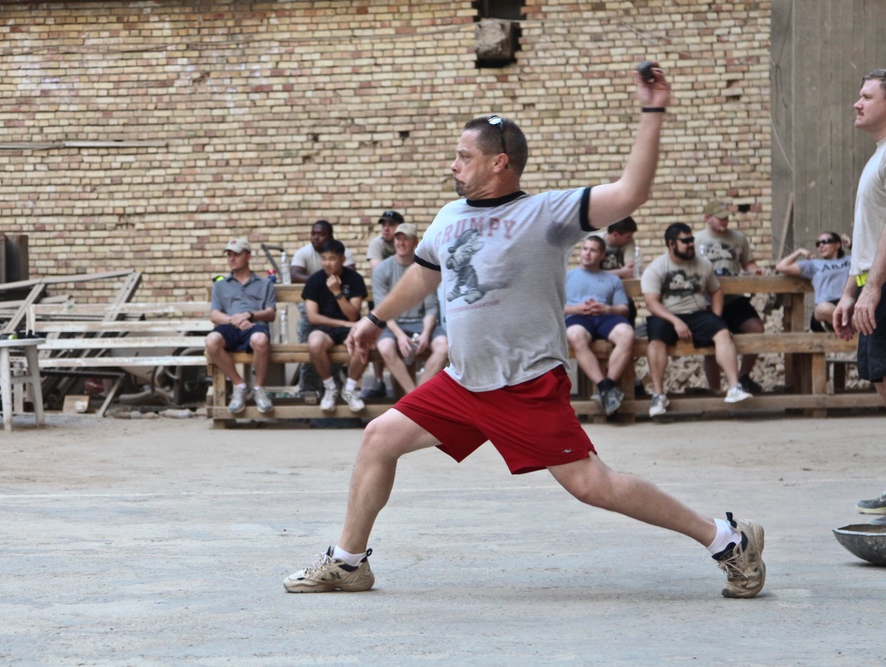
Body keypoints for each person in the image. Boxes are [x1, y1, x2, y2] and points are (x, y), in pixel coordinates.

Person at [283, 65, 765, 600]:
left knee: (591, 486)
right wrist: (374, 321)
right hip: (464, 382)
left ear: (499, 162)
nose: (453, 164)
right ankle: (349, 562)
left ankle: (727, 539)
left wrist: (651, 112)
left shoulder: (546, 213)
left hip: (524, 384)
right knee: (378, 438)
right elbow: (424, 274)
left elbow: (631, 193)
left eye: (463, 156)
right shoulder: (448, 216)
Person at [832, 69, 886, 515]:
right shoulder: (876, 156)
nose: (857, 102)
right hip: (874, 287)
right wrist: (852, 291)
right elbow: (866, 235)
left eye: (866, 95)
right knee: (881, 382)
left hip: (885, 288)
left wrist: (875, 289)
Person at [641, 223, 754, 417]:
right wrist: (675, 321)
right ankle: (658, 394)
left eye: (692, 240)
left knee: (723, 332)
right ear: (671, 244)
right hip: (667, 315)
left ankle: (734, 387)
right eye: (685, 241)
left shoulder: (704, 265)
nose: (691, 244)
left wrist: (716, 317)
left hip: (697, 313)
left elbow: (716, 290)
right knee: (656, 339)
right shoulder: (656, 268)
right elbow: (651, 303)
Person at [694, 200, 767, 395]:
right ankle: (715, 391)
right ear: (708, 218)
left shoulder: (738, 238)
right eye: (720, 218)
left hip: (733, 298)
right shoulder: (696, 240)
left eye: (727, 218)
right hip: (707, 301)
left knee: (756, 329)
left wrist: (756, 271)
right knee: (711, 344)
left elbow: (748, 263)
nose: (725, 222)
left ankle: (742, 377)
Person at [372, 222, 448, 395]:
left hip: (420, 324)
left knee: (444, 346)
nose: (401, 243)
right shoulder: (382, 269)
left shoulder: (424, 268)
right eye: (398, 239)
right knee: (385, 347)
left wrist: (426, 333)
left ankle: (416, 396)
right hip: (391, 325)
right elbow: (381, 311)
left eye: (406, 239)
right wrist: (399, 336)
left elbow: (431, 307)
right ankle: (413, 396)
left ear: (415, 243)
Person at [204, 238, 276, 414]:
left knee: (260, 339)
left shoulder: (265, 283)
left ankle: (259, 389)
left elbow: (270, 313)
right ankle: (240, 385)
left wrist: (249, 315)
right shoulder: (220, 285)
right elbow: (214, 314)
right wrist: (234, 320)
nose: (232, 258)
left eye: (236, 254)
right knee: (212, 340)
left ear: (248, 256)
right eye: (229, 255)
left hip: (255, 326)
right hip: (230, 326)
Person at [565, 235, 634, 416]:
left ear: (602, 255)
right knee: (575, 336)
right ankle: (607, 390)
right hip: (578, 317)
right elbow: (555, 307)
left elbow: (624, 310)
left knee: (627, 334)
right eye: (585, 249)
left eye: (593, 250)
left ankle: (606, 387)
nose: (587, 253)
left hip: (605, 317)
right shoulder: (567, 277)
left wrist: (607, 308)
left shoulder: (613, 280)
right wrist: (576, 308)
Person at [303, 239, 369, 412]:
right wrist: (343, 323)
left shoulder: (354, 279)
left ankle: (350, 389)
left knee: (362, 340)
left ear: (342, 259)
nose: (327, 263)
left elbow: (353, 315)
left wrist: (336, 292)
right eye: (323, 258)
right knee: (314, 342)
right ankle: (330, 387)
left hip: (350, 327)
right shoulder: (315, 280)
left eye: (331, 258)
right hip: (325, 328)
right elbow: (313, 317)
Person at [364, 210, 405, 399]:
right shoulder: (377, 243)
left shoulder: (406, 242)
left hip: (405, 297)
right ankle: (379, 380)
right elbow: (379, 271)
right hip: (383, 296)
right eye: (383, 224)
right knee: (376, 332)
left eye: (391, 224)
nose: (386, 228)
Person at [775, 232, 851, 332]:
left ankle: (844, 327)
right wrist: (799, 251)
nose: (821, 245)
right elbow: (781, 267)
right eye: (818, 244)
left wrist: (851, 245)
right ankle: (846, 327)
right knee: (824, 308)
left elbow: (868, 260)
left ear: (837, 245)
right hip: (825, 310)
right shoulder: (813, 264)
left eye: (825, 242)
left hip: (846, 305)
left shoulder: (849, 260)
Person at [290, 220, 356, 284]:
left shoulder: (343, 252)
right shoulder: (302, 252)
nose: (315, 238)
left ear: (331, 237)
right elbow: (294, 277)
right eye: (313, 234)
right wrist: (322, 281)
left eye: (321, 234)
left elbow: (351, 276)